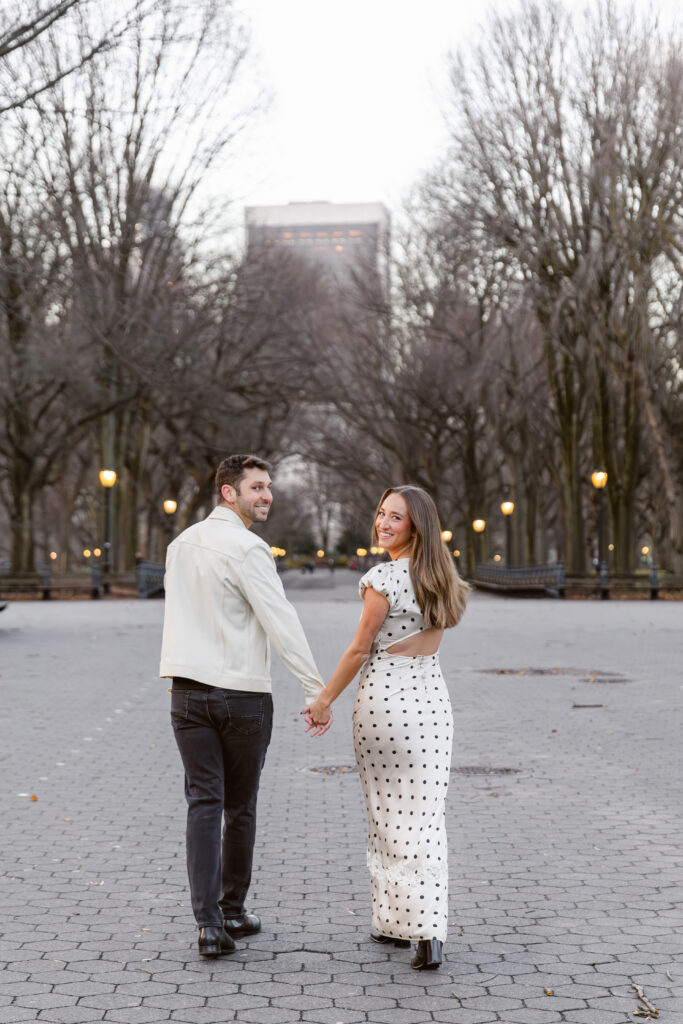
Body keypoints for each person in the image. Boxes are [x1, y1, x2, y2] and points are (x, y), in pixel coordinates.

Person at [160, 454, 332, 958]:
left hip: (187, 692)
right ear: (228, 493)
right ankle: (232, 909)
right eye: (257, 487)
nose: (267, 496)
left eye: (269, 487)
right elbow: (282, 622)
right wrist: (315, 690)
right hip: (241, 695)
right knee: (239, 806)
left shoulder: (179, 545)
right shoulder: (249, 549)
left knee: (203, 803)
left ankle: (209, 926)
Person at [303, 486, 468, 970]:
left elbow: (359, 649)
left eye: (395, 517)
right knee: (426, 816)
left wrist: (323, 700)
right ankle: (419, 929)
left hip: (384, 702)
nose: (382, 523)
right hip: (432, 702)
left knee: (386, 813)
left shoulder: (384, 578)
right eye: (381, 513)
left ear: (415, 526)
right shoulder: (442, 577)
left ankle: (403, 924)